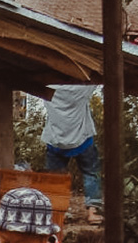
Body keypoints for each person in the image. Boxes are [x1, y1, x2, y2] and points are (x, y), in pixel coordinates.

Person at [42, 84, 102, 226]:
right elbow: (99, 76)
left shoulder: (48, 87)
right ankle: (93, 212)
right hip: (82, 139)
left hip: (56, 141)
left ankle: (59, 213)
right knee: (91, 173)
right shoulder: (81, 88)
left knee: (56, 178)